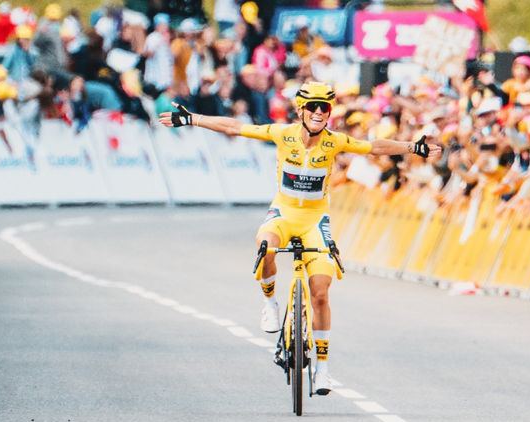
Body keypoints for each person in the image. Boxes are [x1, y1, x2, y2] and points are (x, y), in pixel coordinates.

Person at [157, 82, 441, 394]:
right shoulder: (283, 134)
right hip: (283, 213)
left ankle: (322, 369)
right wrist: (193, 118)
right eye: (313, 107)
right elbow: (236, 128)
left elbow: (374, 146)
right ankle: (270, 303)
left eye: (325, 108)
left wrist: (414, 147)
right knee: (264, 246)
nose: (319, 112)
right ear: (301, 110)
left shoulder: (334, 142)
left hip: (315, 221)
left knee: (320, 292)